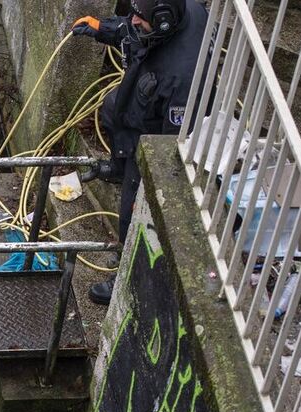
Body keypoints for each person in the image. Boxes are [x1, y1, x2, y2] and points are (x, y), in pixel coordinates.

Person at [72, 0, 208, 304]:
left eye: (139, 17)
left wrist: (147, 178)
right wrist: (100, 28)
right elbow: (132, 30)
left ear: (161, 21)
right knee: (109, 109)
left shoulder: (181, 82)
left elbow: (171, 146)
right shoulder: (179, 12)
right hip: (137, 105)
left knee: (130, 212)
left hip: (152, 134)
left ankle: (125, 278)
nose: (132, 20)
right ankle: (120, 168)